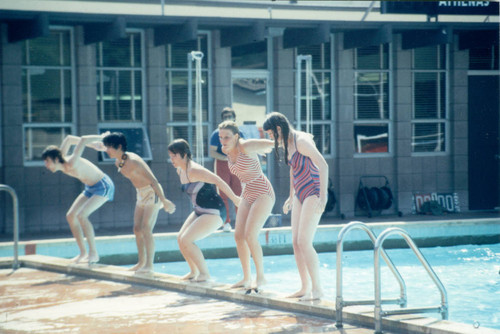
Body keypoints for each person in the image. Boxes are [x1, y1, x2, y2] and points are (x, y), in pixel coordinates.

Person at [263, 112, 328, 301]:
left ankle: (318, 289)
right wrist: (291, 196)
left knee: (304, 241)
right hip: (300, 192)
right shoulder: (287, 143)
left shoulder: (301, 141)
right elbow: (293, 169)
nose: (270, 138)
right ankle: (305, 288)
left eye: (270, 134)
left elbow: (323, 166)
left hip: (314, 190)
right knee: (295, 242)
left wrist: (323, 196)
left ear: (278, 129)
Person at [101, 132, 175, 274]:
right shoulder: (119, 161)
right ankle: (141, 262)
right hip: (140, 194)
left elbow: (154, 181)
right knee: (136, 229)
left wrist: (164, 200)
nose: (106, 150)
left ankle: (149, 265)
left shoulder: (134, 161)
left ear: (119, 146)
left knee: (146, 228)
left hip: (151, 193)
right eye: (106, 147)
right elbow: (99, 146)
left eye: (109, 147)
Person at [168, 139, 241, 282]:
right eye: (170, 156)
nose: (172, 160)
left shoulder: (195, 170)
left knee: (187, 240)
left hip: (215, 211)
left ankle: (205, 274)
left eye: (174, 156)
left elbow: (219, 181)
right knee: (180, 239)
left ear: (184, 154)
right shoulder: (180, 170)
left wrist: (235, 199)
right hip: (200, 210)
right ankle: (193, 271)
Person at [41, 133, 115, 264]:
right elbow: (69, 139)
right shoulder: (60, 159)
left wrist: (102, 139)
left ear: (55, 160)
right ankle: (82, 253)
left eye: (47, 161)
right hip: (90, 188)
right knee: (71, 216)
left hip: (103, 185)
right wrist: (93, 145)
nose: (46, 165)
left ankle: (94, 254)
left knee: (82, 215)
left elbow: (84, 139)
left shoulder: (71, 162)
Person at [218, 120, 275, 290]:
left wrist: (293, 138)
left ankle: (261, 277)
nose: (223, 140)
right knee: (238, 236)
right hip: (247, 193)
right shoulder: (225, 150)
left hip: (263, 192)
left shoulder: (245, 146)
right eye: (221, 137)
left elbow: (272, 143)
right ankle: (245, 278)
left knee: (250, 236)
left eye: (227, 137)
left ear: (236, 136)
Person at [209, 107, 243, 232]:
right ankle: (225, 222)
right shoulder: (216, 134)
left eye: (230, 116)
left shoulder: (239, 133)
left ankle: (241, 222)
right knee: (222, 194)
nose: (228, 118)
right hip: (222, 164)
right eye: (226, 117)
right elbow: (212, 152)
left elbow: (243, 148)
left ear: (234, 118)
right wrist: (227, 158)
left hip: (236, 164)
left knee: (239, 193)